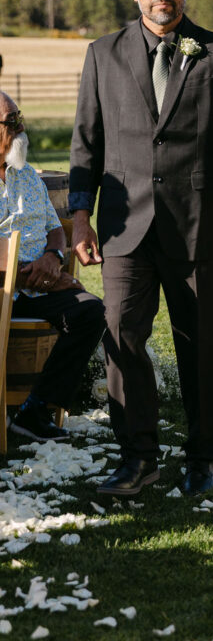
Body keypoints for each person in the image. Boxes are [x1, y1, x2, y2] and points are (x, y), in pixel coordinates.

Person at [69, 0, 213, 497]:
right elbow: (86, 142)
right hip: (122, 227)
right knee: (122, 339)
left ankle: (203, 457)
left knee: (199, 343)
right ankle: (138, 458)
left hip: (197, 223)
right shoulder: (102, 54)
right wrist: (80, 216)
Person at [0, 92, 105, 442]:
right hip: (4, 289)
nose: (21, 128)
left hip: (38, 285)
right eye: (11, 122)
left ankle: (35, 410)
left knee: (91, 311)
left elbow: (55, 228)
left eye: (20, 118)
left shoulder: (27, 175)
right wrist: (39, 277)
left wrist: (54, 258)